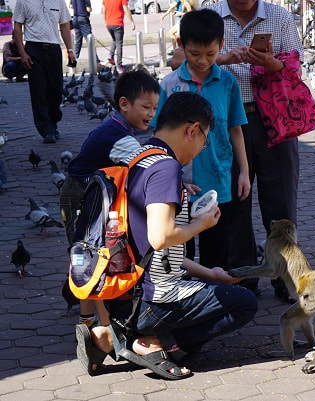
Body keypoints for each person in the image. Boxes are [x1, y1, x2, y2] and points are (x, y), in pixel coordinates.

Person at [75, 91, 258, 380]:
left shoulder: (141, 156)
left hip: (126, 293)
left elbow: (155, 251)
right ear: (192, 130)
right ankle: (152, 342)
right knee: (244, 303)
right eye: (204, 140)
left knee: (218, 290)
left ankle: (112, 336)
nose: (201, 148)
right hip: (153, 299)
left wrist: (211, 273)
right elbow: (161, 237)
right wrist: (202, 224)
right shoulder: (166, 168)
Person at [202, 0, 304, 301]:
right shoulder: (210, 15)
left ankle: (286, 278)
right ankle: (241, 278)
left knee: (281, 205)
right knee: (233, 203)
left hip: (275, 119)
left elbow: (295, 66)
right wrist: (223, 58)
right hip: (227, 120)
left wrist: (271, 63)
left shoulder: (279, 17)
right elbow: (188, 59)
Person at [60, 69, 160, 328]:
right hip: (82, 197)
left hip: (82, 195)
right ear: (124, 104)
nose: (151, 113)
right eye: (146, 107)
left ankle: (88, 317)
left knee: (83, 252)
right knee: (91, 254)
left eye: (155, 108)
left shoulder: (115, 126)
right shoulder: (119, 137)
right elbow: (145, 166)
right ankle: (100, 325)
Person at [152, 9, 250, 271]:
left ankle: (212, 303)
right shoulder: (170, 85)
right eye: (195, 54)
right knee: (177, 254)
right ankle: (182, 304)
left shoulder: (228, 82)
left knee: (216, 251)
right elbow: (157, 135)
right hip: (178, 183)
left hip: (218, 180)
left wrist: (244, 173)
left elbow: (235, 129)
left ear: (221, 45)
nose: (203, 61)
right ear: (182, 46)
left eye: (211, 54)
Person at [13, 0, 76, 144]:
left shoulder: (58, 1)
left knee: (56, 89)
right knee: (38, 90)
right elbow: (17, 28)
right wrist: (23, 53)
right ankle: (46, 129)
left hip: (53, 49)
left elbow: (64, 25)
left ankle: (53, 122)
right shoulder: (23, 2)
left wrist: (70, 50)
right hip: (34, 49)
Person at [102, 0, 135, 73]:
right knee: (119, 43)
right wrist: (131, 22)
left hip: (109, 23)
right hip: (118, 23)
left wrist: (106, 21)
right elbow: (125, 8)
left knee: (114, 40)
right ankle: (119, 66)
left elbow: (104, 10)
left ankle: (111, 55)